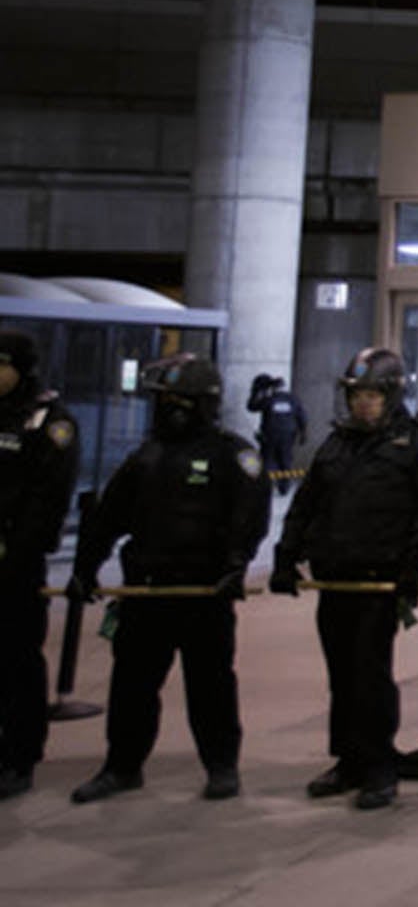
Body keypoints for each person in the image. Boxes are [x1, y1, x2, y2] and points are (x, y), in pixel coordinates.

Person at [68, 354, 270, 804]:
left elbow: (249, 519)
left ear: (196, 404)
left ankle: (221, 767)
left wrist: (236, 565)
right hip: (147, 589)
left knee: (211, 685)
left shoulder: (233, 455)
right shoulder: (147, 454)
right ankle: (122, 766)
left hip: (203, 593)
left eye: (172, 400)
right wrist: (86, 567)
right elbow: (108, 518)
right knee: (132, 685)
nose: (163, 409)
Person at [268, 347, 418, 810]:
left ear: (391, 395)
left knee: (371, 674)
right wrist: (285, 558)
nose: (363, 403)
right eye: (356, 395)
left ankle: (379, 766)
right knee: (342, 675)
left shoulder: (416, 445)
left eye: (371, 394)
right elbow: (306, 507)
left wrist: (412, 568)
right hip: (336, 580)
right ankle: (349, 760)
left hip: (380, 581)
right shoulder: (337, 444)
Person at [0, 330, 80, 800]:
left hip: (17, 565)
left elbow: (49, 498)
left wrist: (19, 550)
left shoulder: (48, 421)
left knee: (17, 660)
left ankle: (20, 755)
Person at [247, 373, 308, 497]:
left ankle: (264, 487)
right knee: (285, 461)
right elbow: (302, 417)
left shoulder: (269, 400)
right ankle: (284, 487)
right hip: (288, 437)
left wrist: (257, 392)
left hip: (270, 436)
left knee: (266, 461)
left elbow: (252, 407)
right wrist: (303, 433)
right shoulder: (293, 400)